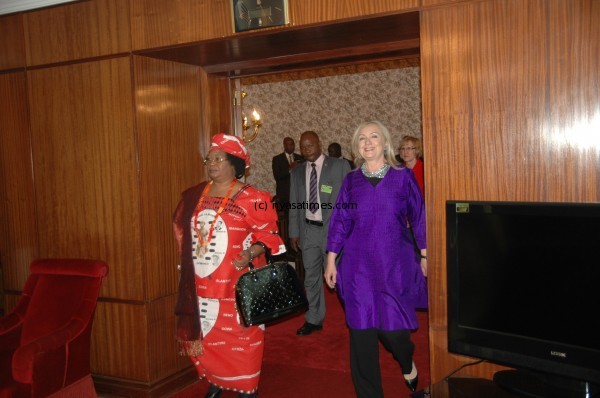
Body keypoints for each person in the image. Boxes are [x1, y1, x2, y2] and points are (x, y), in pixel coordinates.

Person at [173, 133, 285, 398]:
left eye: (219, 159)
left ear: (235, 164)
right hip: (202, 288)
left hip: (238, 290)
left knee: (242, 344)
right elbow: (181, 229)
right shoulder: (195, 195)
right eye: (209, 159)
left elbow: (270, 237)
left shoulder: (256, 197)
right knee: (210, 342)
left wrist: (250, 252)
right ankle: (219, 381)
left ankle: (246, 388)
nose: (212, 164)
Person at [324, 121, 428, 396]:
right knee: (361, 332)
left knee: (393, 331)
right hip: (357, 267)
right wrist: (331, 259)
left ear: (385, 142)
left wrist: (426, 253)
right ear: (356, 147)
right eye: (361, 139)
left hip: (393, 264)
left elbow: (418, 216)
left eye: (373, 137)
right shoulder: (351, 181)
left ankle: (406, 359)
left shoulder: (403, 177)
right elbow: (339, 221)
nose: (367, 142)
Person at [289, 131, 351, 336]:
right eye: (303, 146)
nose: (306, 150)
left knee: (340, 278)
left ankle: (356, 318)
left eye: (310, 145)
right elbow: (294, 205)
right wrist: (294, 232)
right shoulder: (297, 172)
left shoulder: (339, 166)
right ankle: (314, 319)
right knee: (311, 278)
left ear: (319, 144)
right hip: (308, 231)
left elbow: (348, 200)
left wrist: (350, 229)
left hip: (333, 232)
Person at [272, 136, 303, 208]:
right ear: (284, 145)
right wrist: (289, 169)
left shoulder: (300, 158)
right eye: (290, 144)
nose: (292, 146)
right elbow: (277, 176)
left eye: (293, 144)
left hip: (298, 193)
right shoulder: (277, 159)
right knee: (286, 217)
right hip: (284, 194)